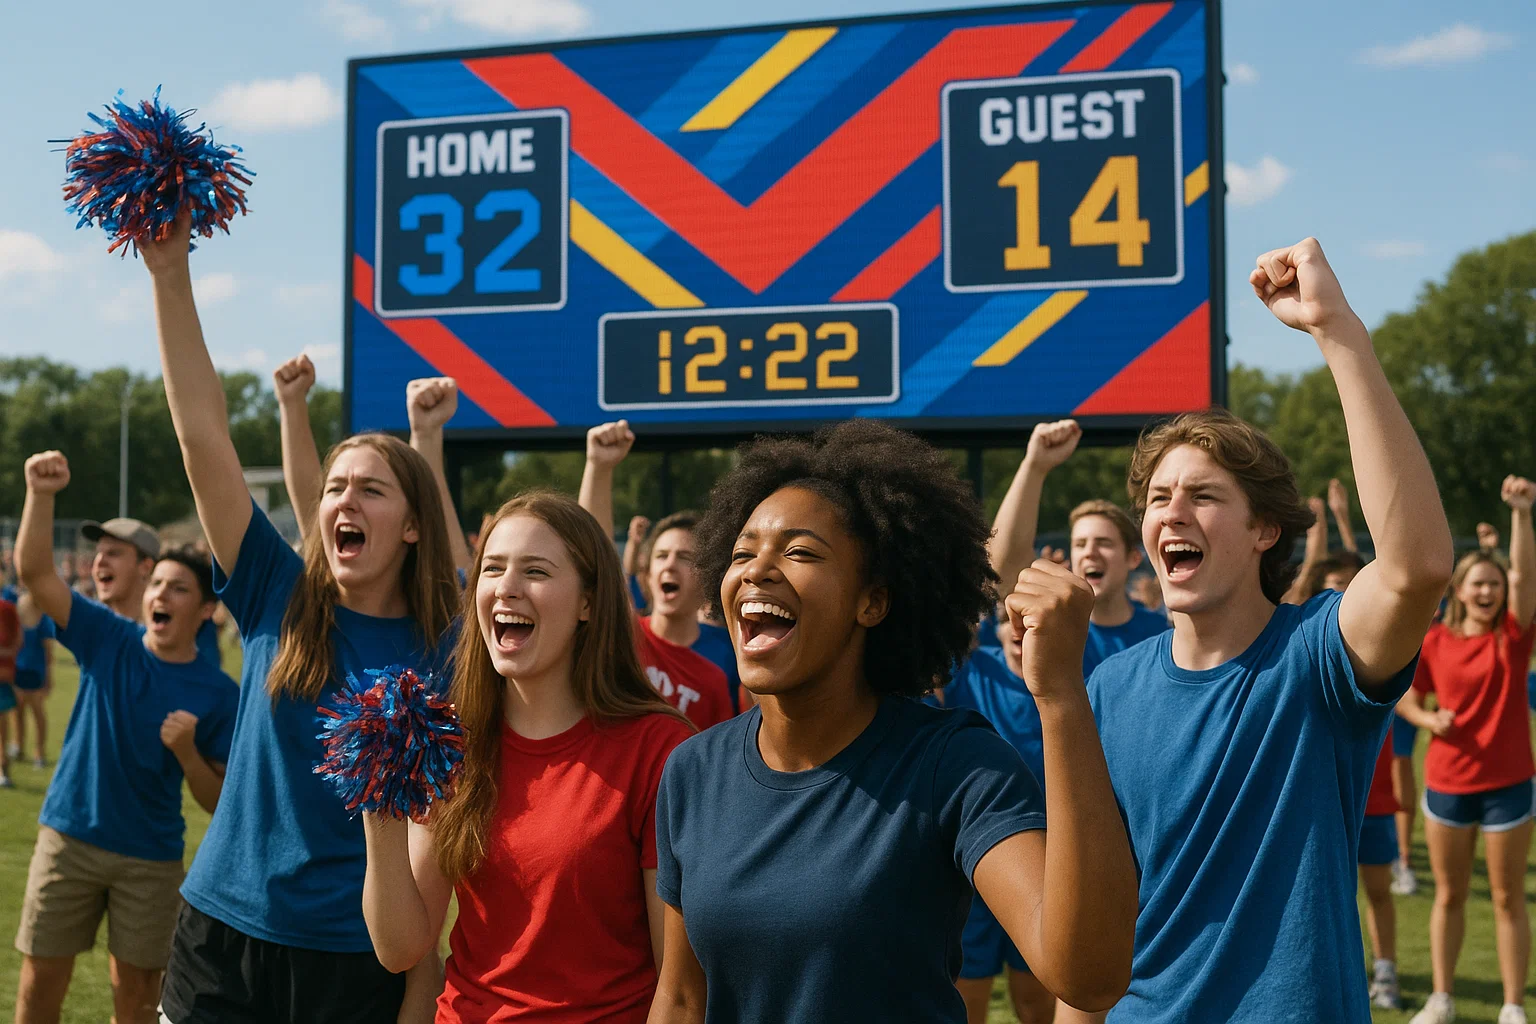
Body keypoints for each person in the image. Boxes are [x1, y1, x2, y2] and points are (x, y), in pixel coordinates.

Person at [647, 419, 1138, 1022]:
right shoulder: (692, 771)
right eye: (742, 553)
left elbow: (1089, 977)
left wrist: (1061, 695)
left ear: (873, 601)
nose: (757, 570)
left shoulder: (955, 765)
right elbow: (681, 998)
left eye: (799, 552)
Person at [1085, 238, 1452, 1023]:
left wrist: (1335, 329)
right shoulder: (1108, 686)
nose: (1172, 512)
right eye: (1158, 498)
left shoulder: (1316, 657)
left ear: (1263, 530)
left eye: (1203, 495)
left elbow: (1416, 566)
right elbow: (1096, 916)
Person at [139, 212, 461, 1024]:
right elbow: (202, 438)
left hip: (355, 957)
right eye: (334, 488)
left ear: (413, 525)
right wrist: (170, 273)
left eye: (371, 490)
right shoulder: (277, 591)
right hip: (223, 935)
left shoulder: (449, 648)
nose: (344, 500)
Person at [362, 491, 694, 1022]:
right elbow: (401, 948)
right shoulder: (451, 742)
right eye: (492, 568)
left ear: (588, 603)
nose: (506, 587)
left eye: (535, 571)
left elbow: (677, 989)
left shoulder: (658, 750)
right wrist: (379, 801)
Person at [12, 450, 238, 1024]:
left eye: (178, 589)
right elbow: (36, 574)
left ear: (206, 609)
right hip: (69, 837)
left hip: (150, 859)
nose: (161, 595)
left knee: (136, 999)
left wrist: (187, 752)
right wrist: (40, 494)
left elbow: (218, 802)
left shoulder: (218, 692)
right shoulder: (106, 636)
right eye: (157, 584)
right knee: (39, 985)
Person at [1398, 475, 1536, 1024]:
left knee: (1506, 898)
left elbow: (1525, 577)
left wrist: (1521, 513)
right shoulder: (1434, 641)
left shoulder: (1513, 637)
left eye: (1494, 585)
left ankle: (1512, 1006)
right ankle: (1442, 999)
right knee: (1449, 896)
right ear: (1458, 590)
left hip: (1509, 785)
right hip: (1448, 783)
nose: (1487, 592)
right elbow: (1407, 696)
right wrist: (1428, 717)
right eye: (1478, 584)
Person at [1289, 542, 1401, 1009]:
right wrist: (1317, 530)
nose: (1346, 596)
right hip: (1317, 803)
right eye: (1336, 586)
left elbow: (1405, 577)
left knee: (1377, 890)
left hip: (1373, 795)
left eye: (1355, 586)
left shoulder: (1377, 648)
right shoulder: (1302, 643)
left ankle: (1386, 972)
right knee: (1318, 901)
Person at [936, 610, 1057, 1024]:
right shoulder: (968, 670)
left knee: (1036, 1002)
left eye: (1030, 620)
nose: (1019, 629)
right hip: (971, 870)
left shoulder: (1071, 680)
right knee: (967, 1004)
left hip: (1043, 866)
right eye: (1009, 619)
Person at [579, 422, 734, 729]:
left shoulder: (720, 670)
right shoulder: (622, 635)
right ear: (648, 576)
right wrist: (598, 467)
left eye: (685, 557)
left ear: (707, 581)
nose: (670, 564)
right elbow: (593, 560)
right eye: (661, 556)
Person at [989, 419, 1169, 681]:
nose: (1090, 552)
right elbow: (1002, 568)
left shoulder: (1162, 633)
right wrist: (1034, 466)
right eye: (1080, 544)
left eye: (1104, 543)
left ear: (1133, 558)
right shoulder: (1053, 628)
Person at [78, 517, 222, 668]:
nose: (99, 562)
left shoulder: (186, 631)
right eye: (98, 553)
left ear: (145, 567)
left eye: (113, 553)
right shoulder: (98, 630)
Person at [6, 584, 54, 770]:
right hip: (18, 670)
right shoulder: (16, 609)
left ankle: (39, 753)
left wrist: (48, 678)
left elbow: (48, 651)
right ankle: (18, 746)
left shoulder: (43, 617)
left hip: (36, 673)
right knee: (17, 712)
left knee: (37, 713)